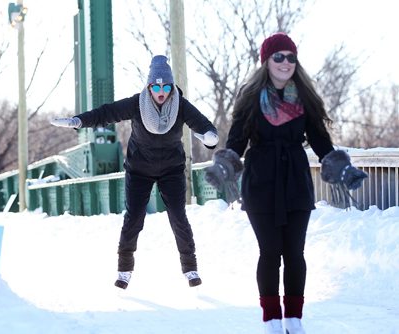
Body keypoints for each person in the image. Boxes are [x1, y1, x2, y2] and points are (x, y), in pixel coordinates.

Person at [205, 33, 367, 334]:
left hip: (295, 182)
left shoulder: (304, 99)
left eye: (291, 57)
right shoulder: (251, 98)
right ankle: (271, 320)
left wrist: (342, 168)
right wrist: (225, 166)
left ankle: (294, 318)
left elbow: (321, 142)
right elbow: (237, 141)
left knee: (294, 252)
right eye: (278, 56)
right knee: (270, 252)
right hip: (261, 183)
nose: (285, 63)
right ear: (266, 61)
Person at [51, 55, 219, 289]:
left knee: (178, 216)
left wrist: (210, 137)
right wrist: (79, 121)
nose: (161, 92)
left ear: (171, 87)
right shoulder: (136, 103)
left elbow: (203, 125)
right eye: (156, 86)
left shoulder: (180, 105)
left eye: (166, 86)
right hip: (139, 169)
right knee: (134, 218)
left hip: (171, 169)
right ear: (149, 86)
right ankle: (124, 270)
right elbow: (106, 113)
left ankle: (190, 268)